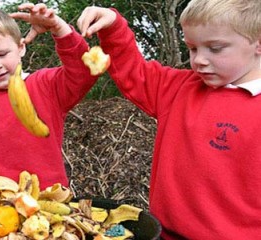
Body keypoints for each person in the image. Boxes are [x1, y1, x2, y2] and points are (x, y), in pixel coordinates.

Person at [77, 0, 261, 239]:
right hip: (163, 234)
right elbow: (135, 73)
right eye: (193, 49)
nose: (199, 60)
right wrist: (113, 28)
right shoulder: (179, 88)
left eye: (215, 48)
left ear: (258, 44)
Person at [0, 3, 99, 190]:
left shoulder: (45, 85)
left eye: (2, 54)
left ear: (21, 48)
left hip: (49, 202)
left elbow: (84, 71)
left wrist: (59, 28)